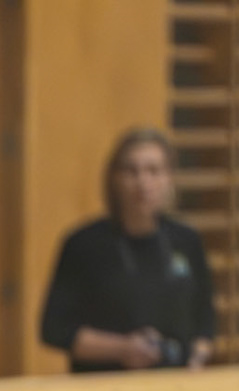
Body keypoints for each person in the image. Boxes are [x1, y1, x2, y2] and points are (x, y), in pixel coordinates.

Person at [38, 126, 216, 374]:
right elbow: (54, 330)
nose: (143, 183)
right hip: (104, 384)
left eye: (153, 171)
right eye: (132, 171)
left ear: (169, 178)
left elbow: (205, 320)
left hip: (175, 383)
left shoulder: (186, 240)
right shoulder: (84, 244)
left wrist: (197, 358)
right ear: (114, 179)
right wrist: (122, 349)